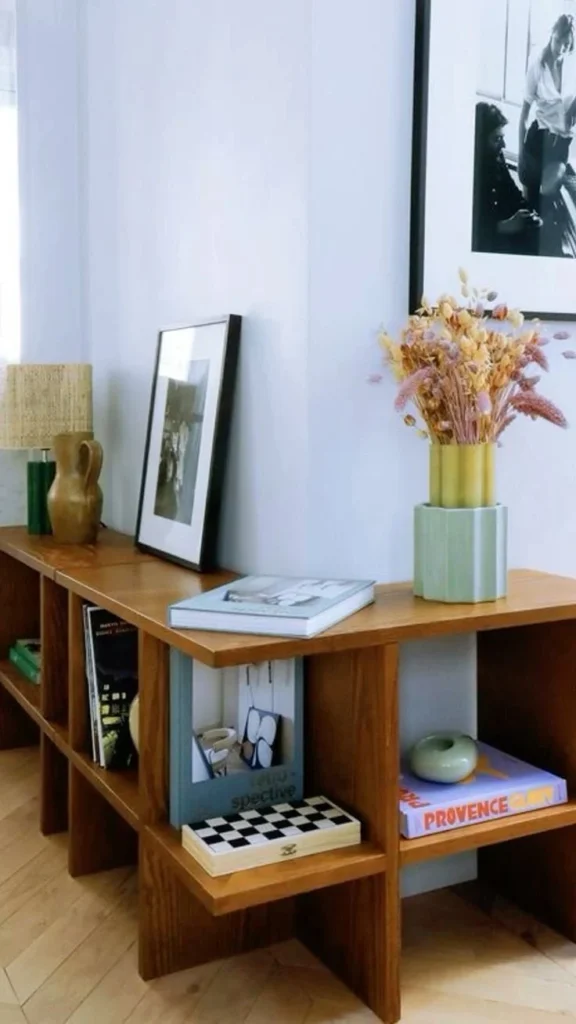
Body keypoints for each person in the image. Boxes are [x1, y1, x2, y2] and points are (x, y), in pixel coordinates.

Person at [519, 14, 576, 217]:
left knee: (548, 196)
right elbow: (525, 113)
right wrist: (521, 155)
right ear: (552, 33)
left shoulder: (572, 67)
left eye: (566, 44)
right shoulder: (537, 65)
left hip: (560, 146)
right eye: (558, 41)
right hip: (537, 140)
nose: (561, 49)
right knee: (530, 206)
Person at [472, 102, 542, 255]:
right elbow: (469, 229)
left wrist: (531, 214)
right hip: (486, 244)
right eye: (497, 139)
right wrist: (504, 226)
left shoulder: (496, 156)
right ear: (478, 141)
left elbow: (512, 191)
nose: (503, 145)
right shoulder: (468, 170)